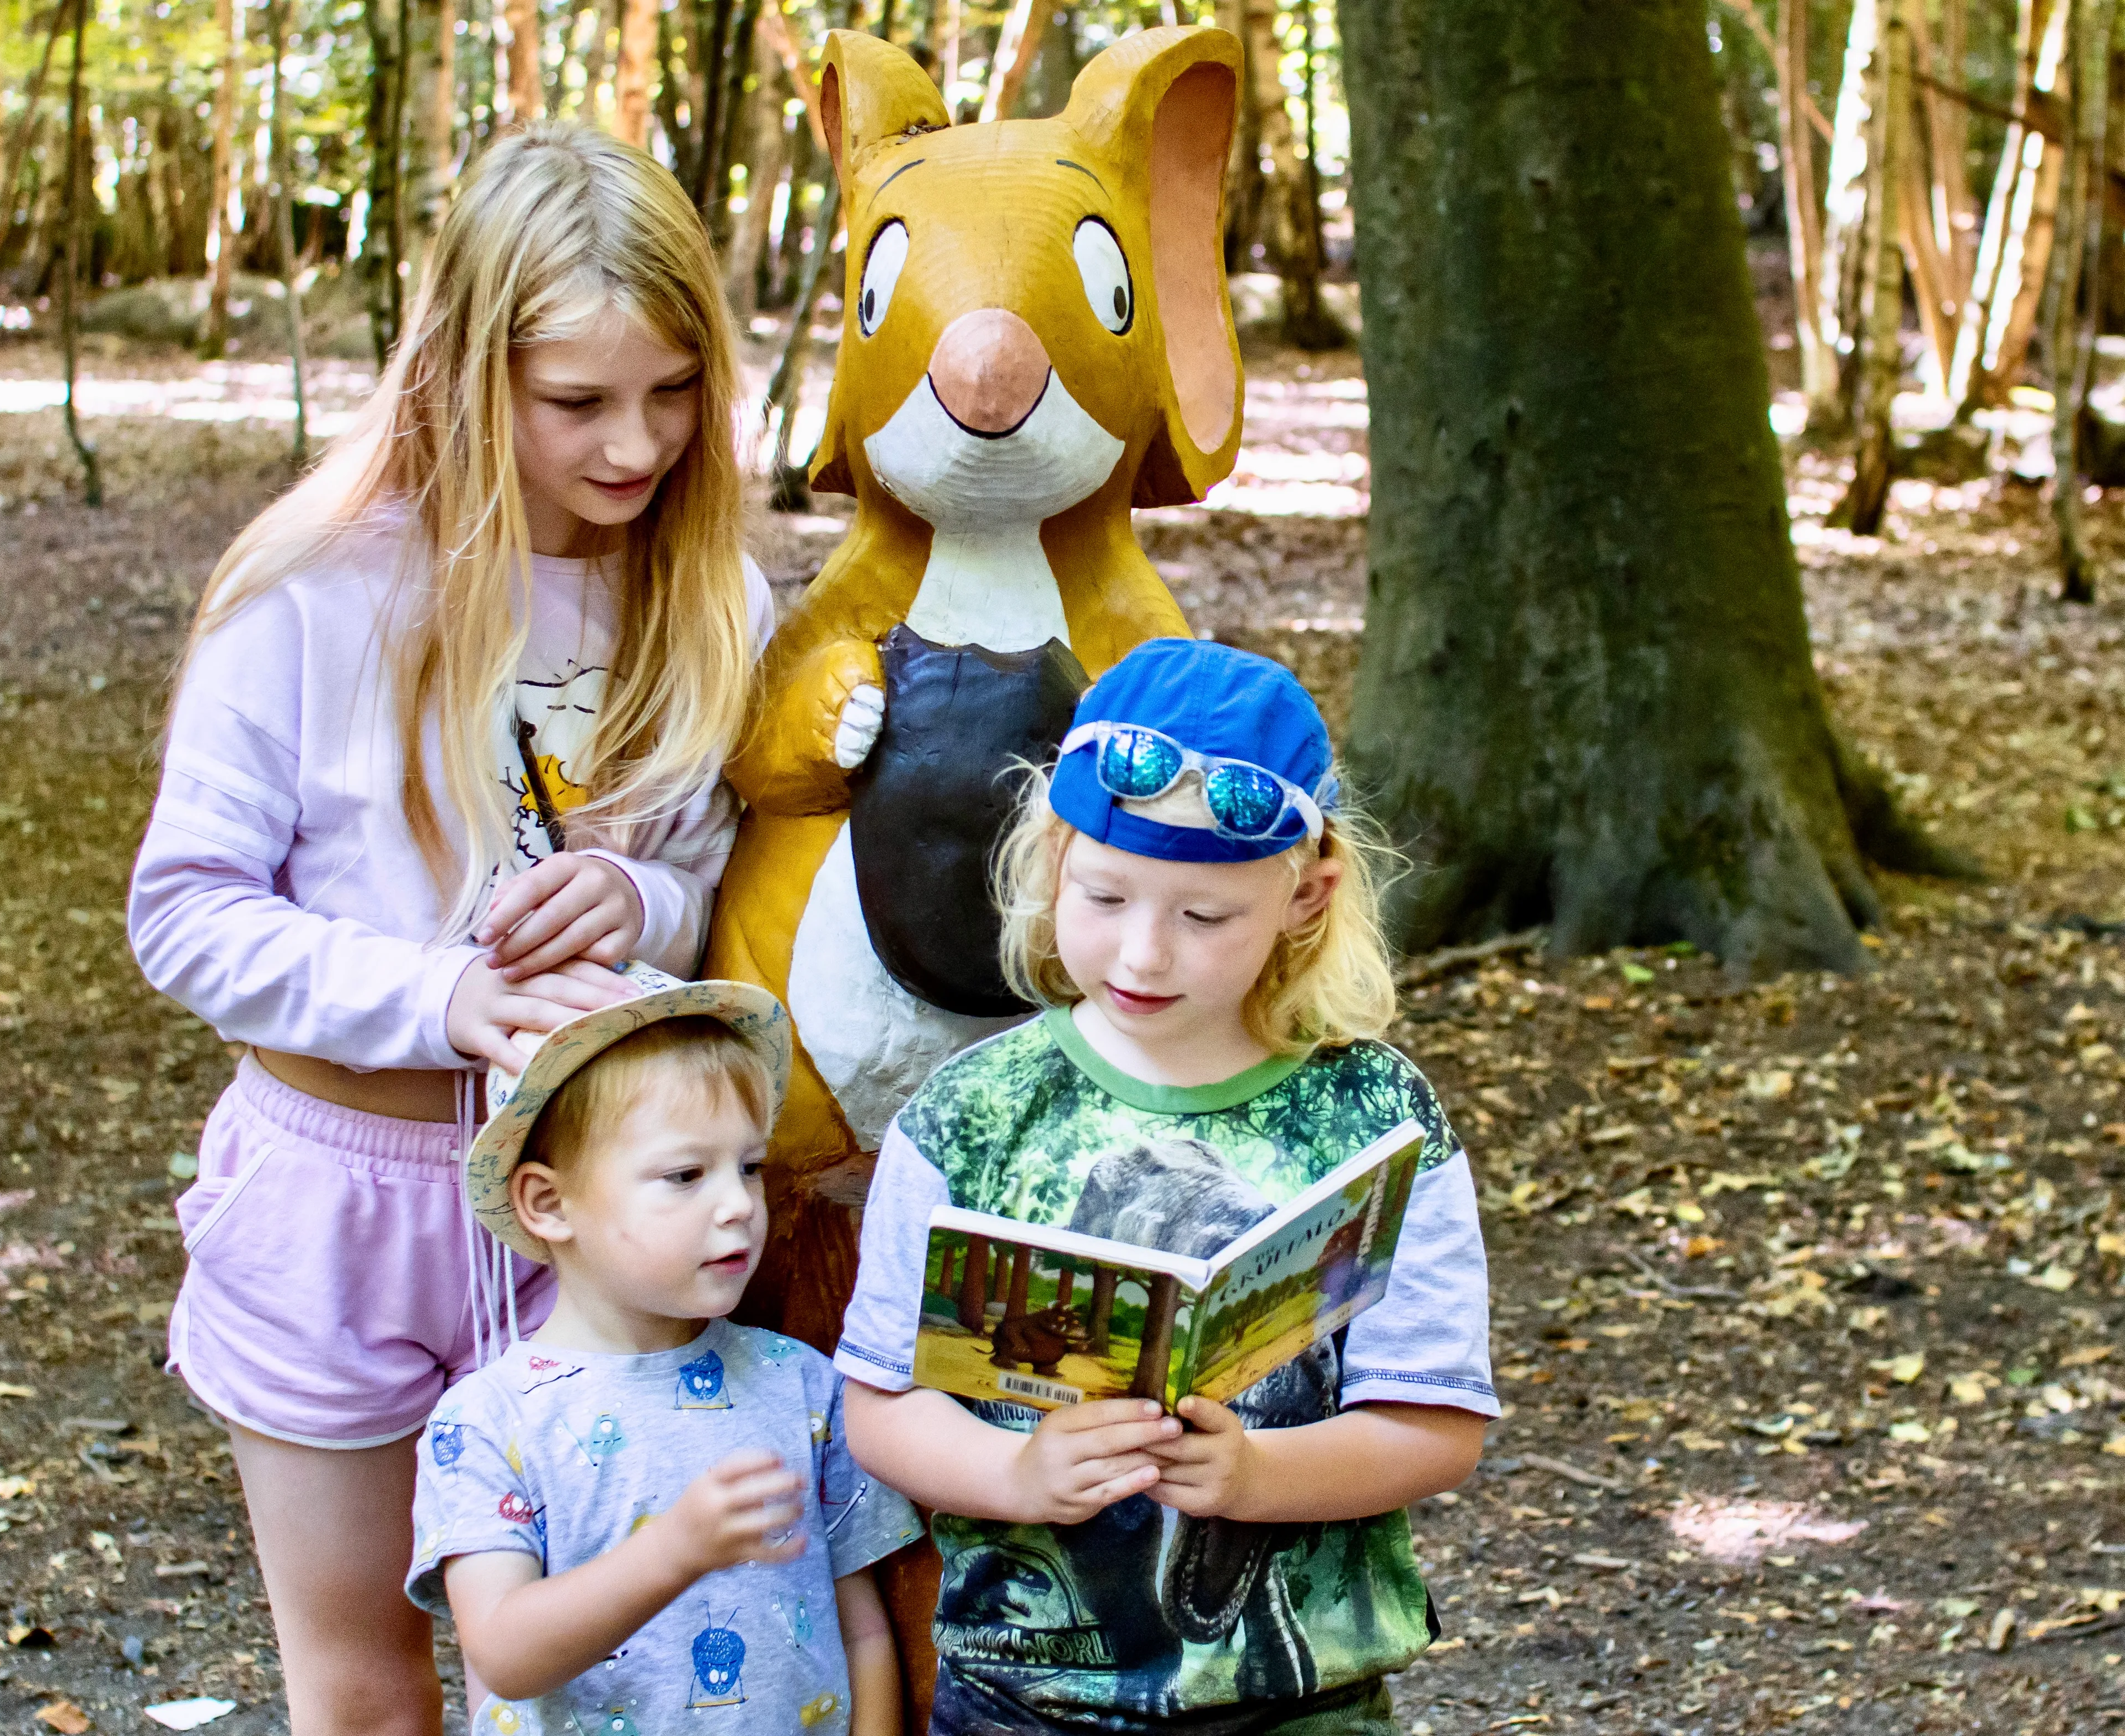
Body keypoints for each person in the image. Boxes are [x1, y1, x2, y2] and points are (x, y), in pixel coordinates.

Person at [125, 122, 775, 1736]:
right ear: (461, 370)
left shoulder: (712, 600)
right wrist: (440, 996)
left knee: (611, 1665)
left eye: (673, 392)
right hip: (340, 1203)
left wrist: (642, 896)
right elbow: (186, 911)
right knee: (365, 1682)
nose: (635, 445)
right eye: (577, 403)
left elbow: (713, 868)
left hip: (608, 1218)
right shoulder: (310, 592)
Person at [833, 638, 1498, 1734]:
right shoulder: (970, 1115)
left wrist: (1253, 1475)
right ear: (1053, 857)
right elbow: (881, 1403)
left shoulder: (1379, 1118)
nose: (1144, 953)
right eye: (1105, 895)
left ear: (1305, 897)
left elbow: (1434, 1426)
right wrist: (1017, 1471)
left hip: (1294, 1703)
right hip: (1022, 1696)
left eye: (1204, 917)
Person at [410, 967, 920, 1736]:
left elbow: (864, 1632)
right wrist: (674, 1552)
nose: (738, 1206)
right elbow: (505, 1655)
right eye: (686, 1175)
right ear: (550, 1204)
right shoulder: (486, 1421)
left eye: (749, 1168)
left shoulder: (802, 1386)